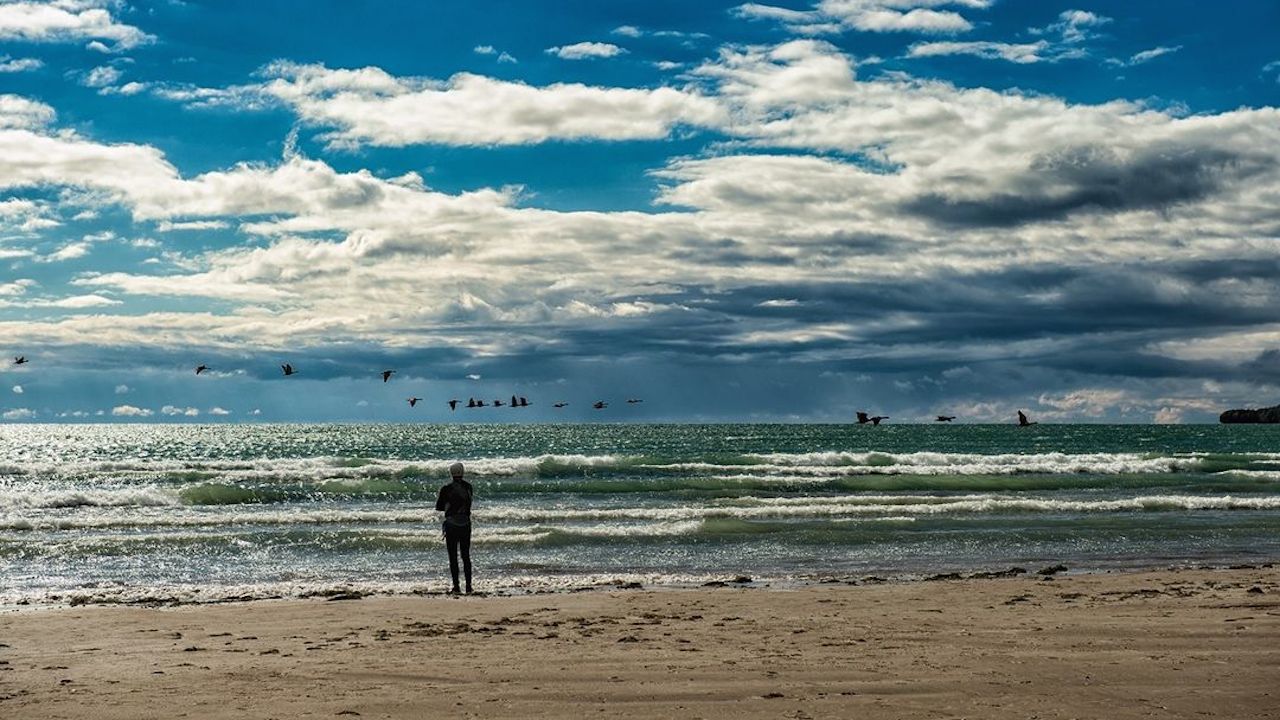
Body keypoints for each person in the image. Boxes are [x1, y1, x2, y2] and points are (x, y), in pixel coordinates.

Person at [435, 462, 473, 594]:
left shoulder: (446, 488)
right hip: (466, 524)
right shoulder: (469, 487)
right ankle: (469, 586)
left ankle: (456, 587)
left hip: (451, 524)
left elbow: (439, 506)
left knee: (453, 556)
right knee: (465, 556)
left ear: (451, 473)